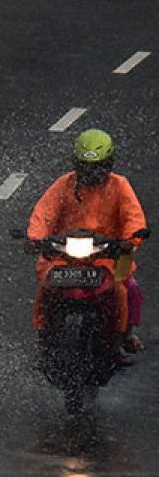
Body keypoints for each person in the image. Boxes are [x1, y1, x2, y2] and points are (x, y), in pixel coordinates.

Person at [27, 128, 147, 361]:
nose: (92, 173)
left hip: (109, 254)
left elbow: (134, 217)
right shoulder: (64, 184)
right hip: (64, 253)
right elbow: (44, 214)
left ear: (109, 164)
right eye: (86, 167)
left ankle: (121, 338)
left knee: (126, 288)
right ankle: (43, 337)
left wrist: (130, 240)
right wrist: (35, 238)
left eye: (98, 166)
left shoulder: (120, 186)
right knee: (46, 285)